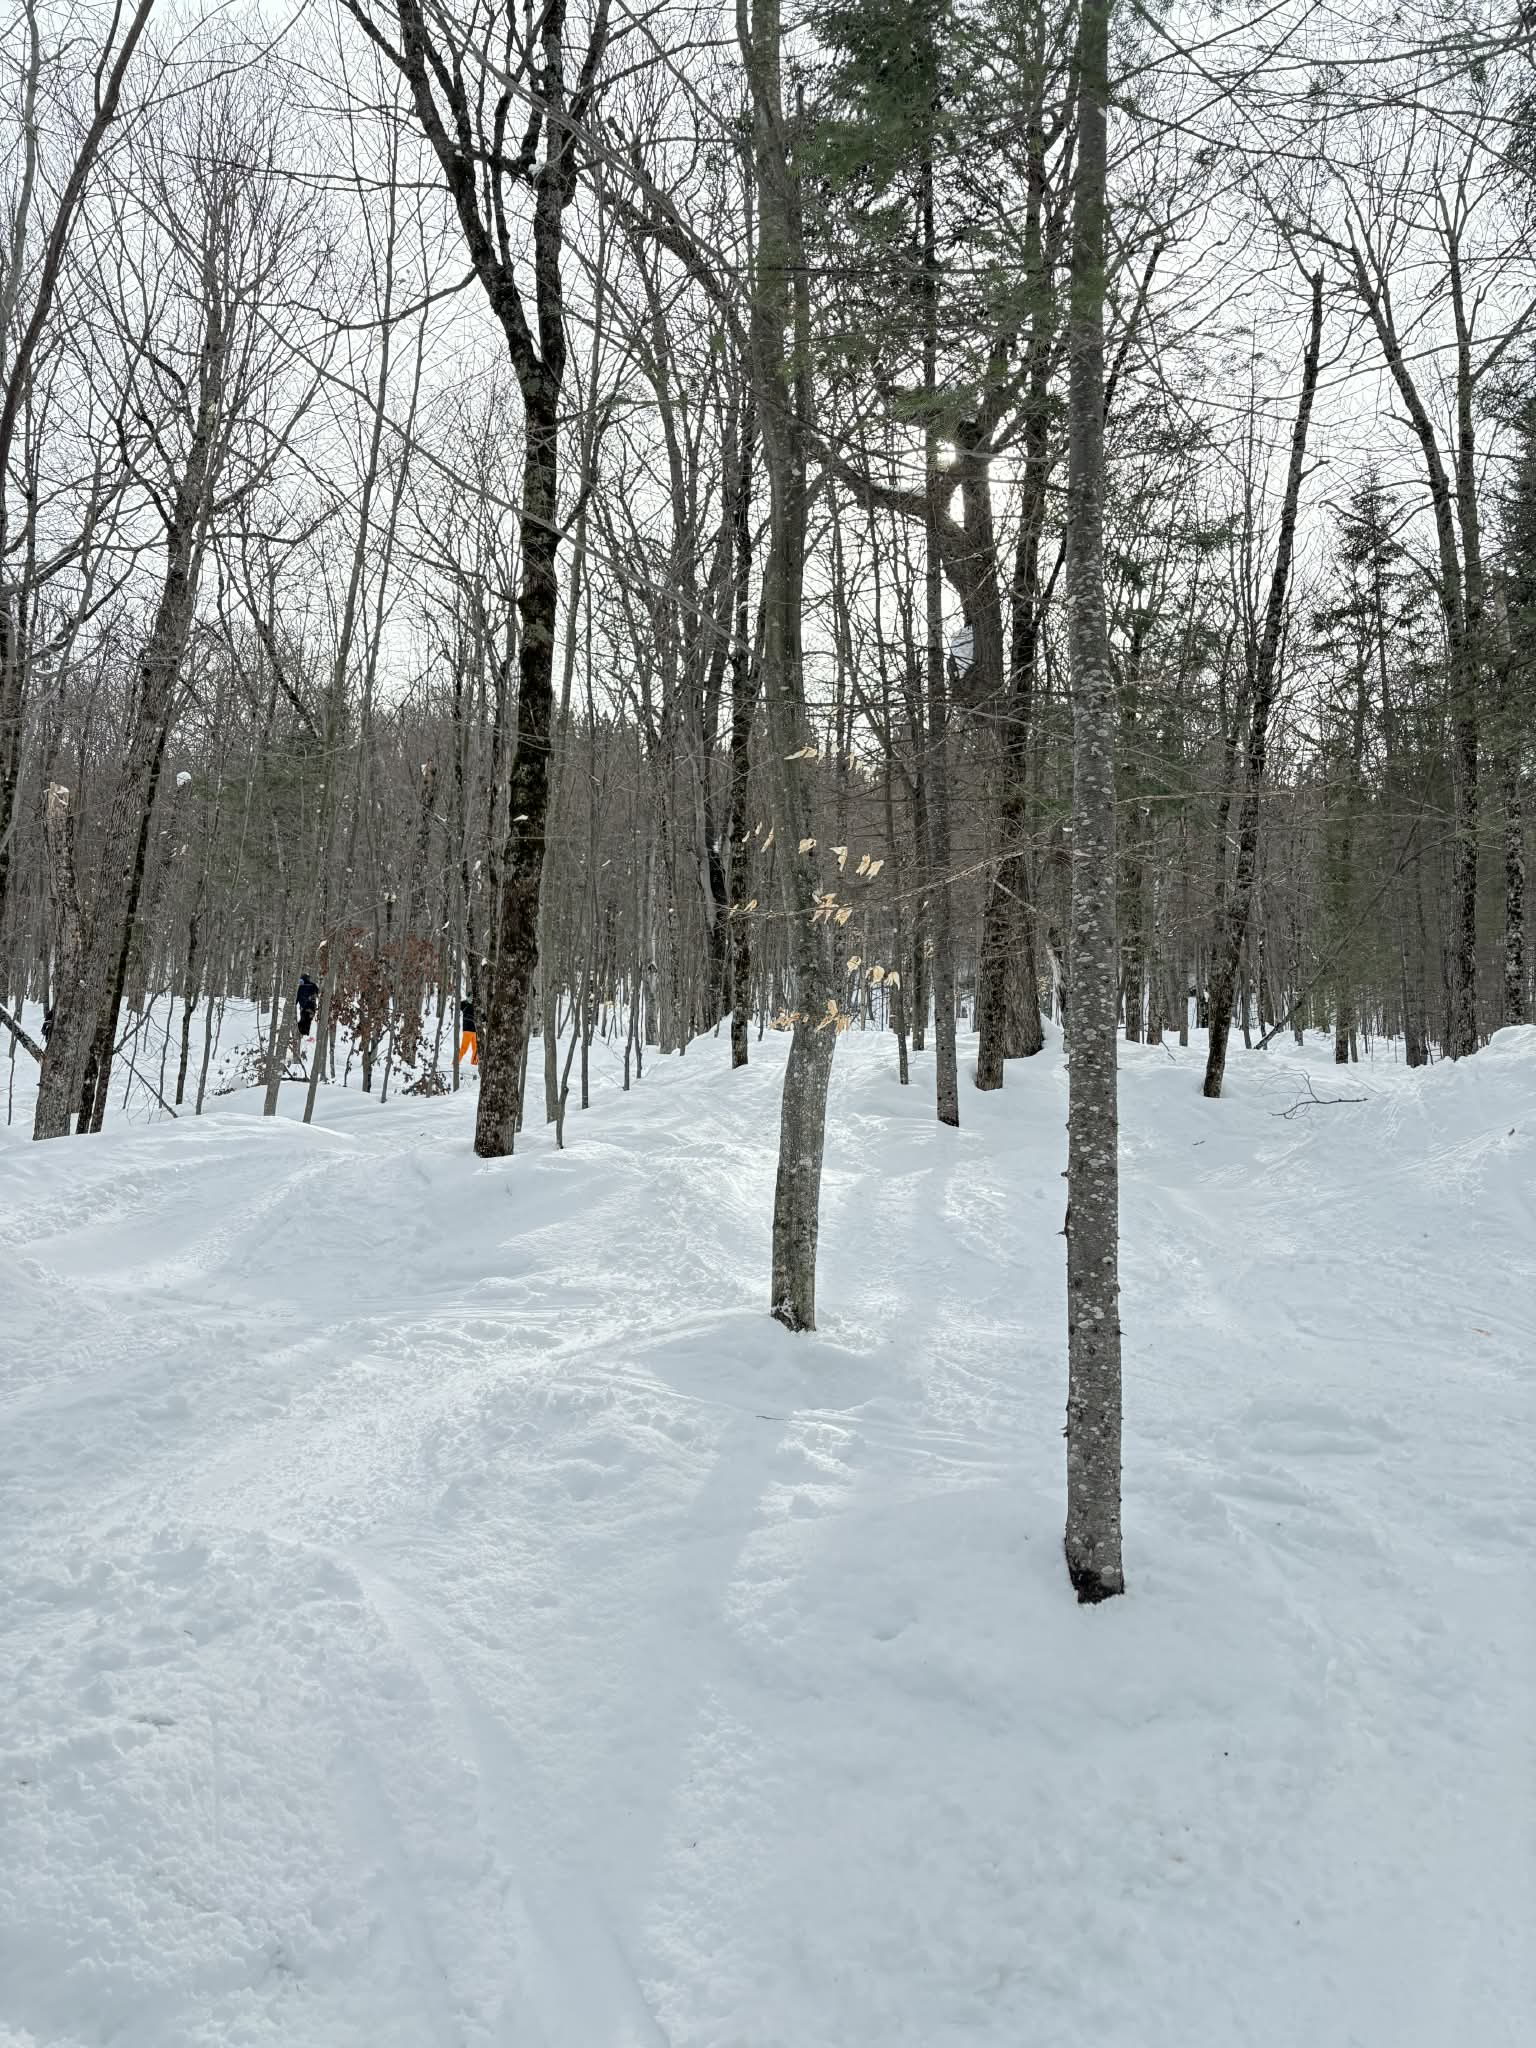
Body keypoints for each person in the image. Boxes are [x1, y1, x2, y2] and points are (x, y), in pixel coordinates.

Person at [296, 973, 320, 1040]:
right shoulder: (302, 987)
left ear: (305, 980)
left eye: (302, 981)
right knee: (303, 1022)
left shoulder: (312, 986)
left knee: (305, 1022)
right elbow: (297, 998)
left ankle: (305, 1037)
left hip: (308, 1008)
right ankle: (304, 1037)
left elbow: (318, 993)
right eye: (300, 981)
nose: (301, 982)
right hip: (306, 1009)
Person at [458, 995, 478, 1069]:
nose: (472, 999)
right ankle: (455, 1063)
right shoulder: (465, 1005)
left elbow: (482, 1016)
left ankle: (474, 1063)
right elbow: (459, 1005)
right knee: (463, 1048)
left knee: (476, 1048)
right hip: (467, 1030)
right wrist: (467, 1001)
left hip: (475, 1031)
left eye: (472, 998)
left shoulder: (477, 1005)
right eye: (470, 997)